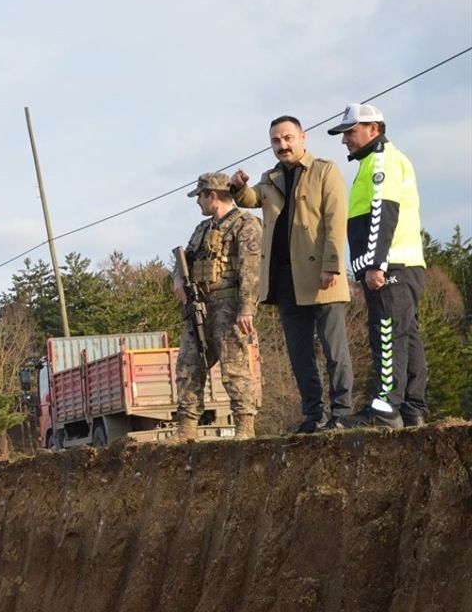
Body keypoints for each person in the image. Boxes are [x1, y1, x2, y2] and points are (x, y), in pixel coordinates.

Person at [231, 115, 353, 433]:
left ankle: (342, 412)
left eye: (287, 138)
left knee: (333, 348)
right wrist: (238, 186)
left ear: (303, 137)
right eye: (276, 140)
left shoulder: (325, 171)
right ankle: (314, 415)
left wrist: (331, 264)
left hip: (321, 273)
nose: (282, 145)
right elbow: (251, 198)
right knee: (299, 353)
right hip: (284, 280)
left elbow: (335, 220)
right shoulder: (270, 178)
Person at [328, 103, 427, 429]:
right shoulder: (385, 159)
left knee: (386, 333)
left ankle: (386, 408)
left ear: (374, 129)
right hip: (404, 264)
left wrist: (375, 264)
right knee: (406, 335)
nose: (345, 140)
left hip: (391, 266)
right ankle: (412, 408)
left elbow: (384, 214)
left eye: (350, 132)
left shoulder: (381, 161)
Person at [172, 172, 264, 440]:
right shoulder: (202, 229)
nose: (197, 202)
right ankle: (186, 428)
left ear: (213, 195)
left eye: (200, 196)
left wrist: (247, 308)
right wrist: (178, 279)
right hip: (200, 306)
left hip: (229, 304)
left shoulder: (245, 224)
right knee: (188, 365)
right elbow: (183, 261)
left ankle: (245, 426)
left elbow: (251, 270)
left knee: (234, 367)